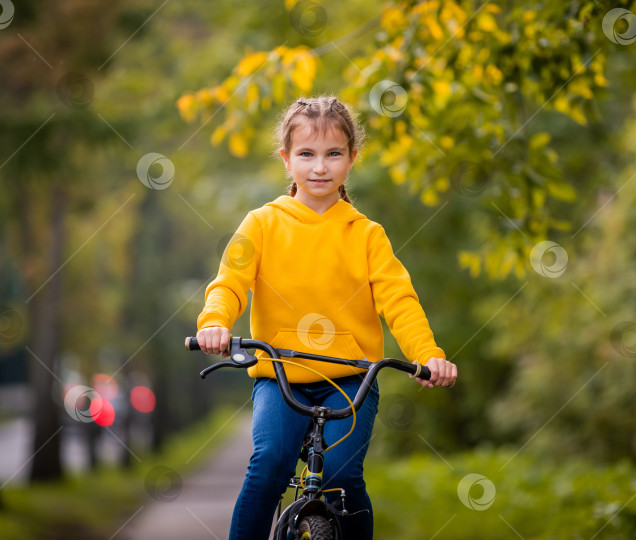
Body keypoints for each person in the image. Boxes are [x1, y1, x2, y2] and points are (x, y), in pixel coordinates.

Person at [195, 95, 457, 540]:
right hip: (279, 374)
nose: (320, 167)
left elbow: (399, 300)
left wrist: (428, 355)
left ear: (352, 159)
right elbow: (231, 281)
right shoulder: (262, 223)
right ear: (286, 158)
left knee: (342, 476)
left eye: (333, 154)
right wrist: (214, 323)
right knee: (269, 463)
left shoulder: (367, 234)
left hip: (352, 377)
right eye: (307, 154)